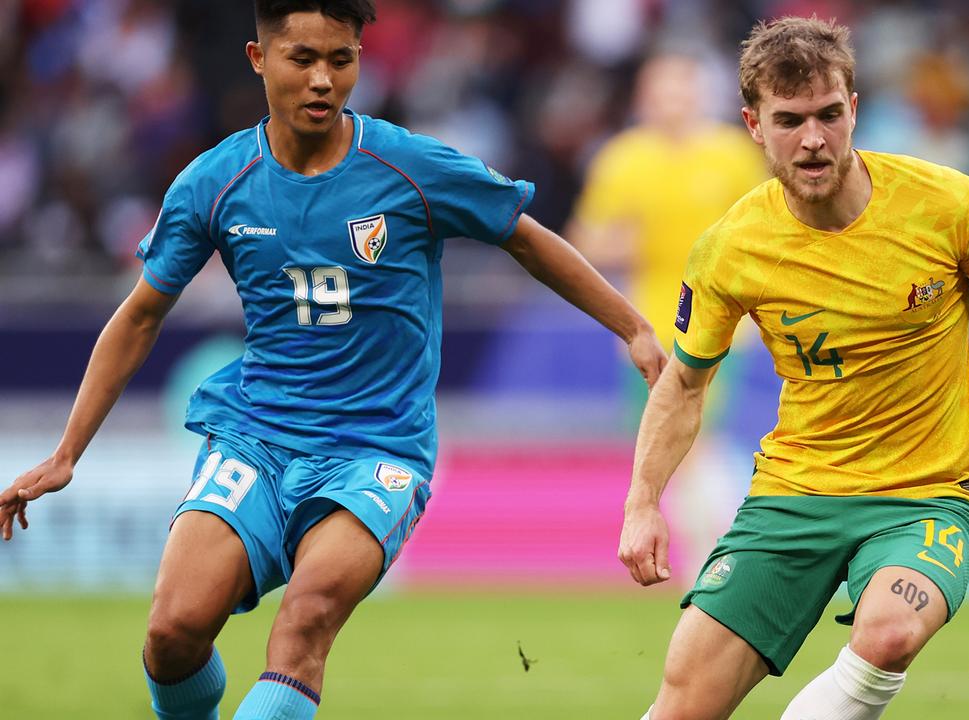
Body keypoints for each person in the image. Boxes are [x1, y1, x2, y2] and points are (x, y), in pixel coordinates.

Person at [0, 2, 664, 719]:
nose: (322, 79)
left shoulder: (409, 167)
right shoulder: (214, 182)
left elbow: (527, 238)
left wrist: (631, 328)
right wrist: (68, 453)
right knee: (172, 632)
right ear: (259, 61)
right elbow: (140, 316)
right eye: (302, 59)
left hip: (377, 449)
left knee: (306, 619)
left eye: (340, 60)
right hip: (258, 436)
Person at [617, 16, 969, 720]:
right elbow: (685, 383)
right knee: (684, 700)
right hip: (796, 494)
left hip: (929, 495)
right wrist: (641, 502)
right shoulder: (731, 248)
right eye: (789, 121)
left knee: (890, 630)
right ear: (754, 124)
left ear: (855, 108)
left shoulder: (950, 205)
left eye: (828, 115)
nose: (812, 140)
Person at [568, 50, 766, 579]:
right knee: (668, 452)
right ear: (644, 99)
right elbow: (583, 241)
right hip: (648, 329)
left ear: (700, 94)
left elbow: (767, 228)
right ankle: (712, 558)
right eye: (661, 92)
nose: (672, 102)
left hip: (722, 324)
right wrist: (618, 242)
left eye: (682, 90)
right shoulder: (622, 159)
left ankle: (719, 558)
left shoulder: (730, 154)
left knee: (700, 440)